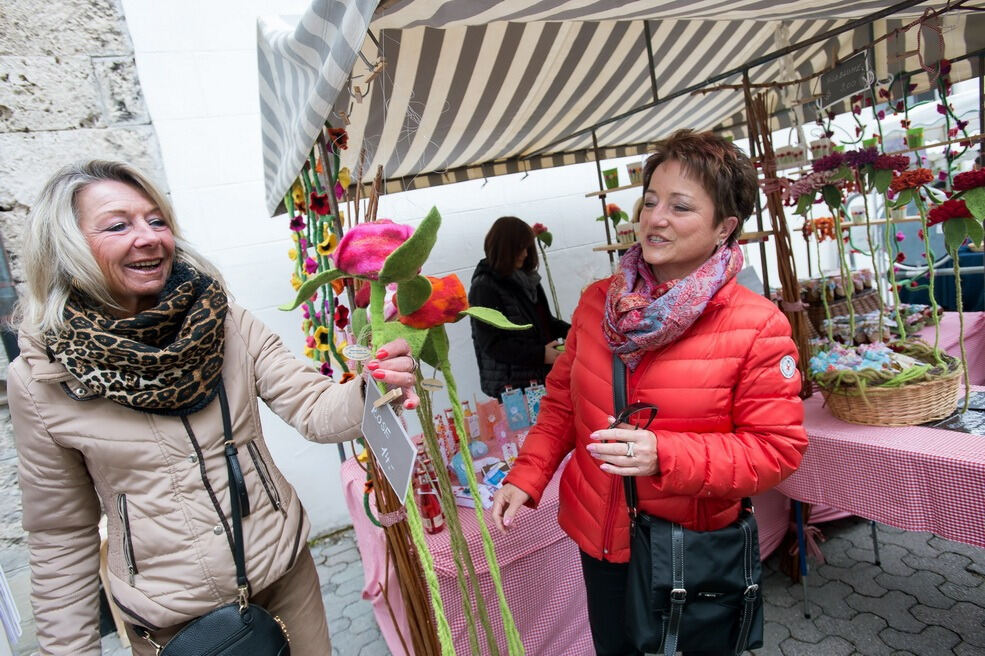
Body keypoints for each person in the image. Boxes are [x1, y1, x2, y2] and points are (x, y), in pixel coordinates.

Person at [8, 160, 419, 656]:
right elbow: (61, 535)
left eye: (156, 220)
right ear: (66, 248)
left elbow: (314, 407)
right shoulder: (43, 376)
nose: (148, 237)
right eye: (118, 225)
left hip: (283, 579)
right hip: (174, 624)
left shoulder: (223, 321)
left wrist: (374, 387)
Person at [492, 130, 808, 656]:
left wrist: (666, 454)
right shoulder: (600, 303)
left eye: (680, 207)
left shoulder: (756, 325)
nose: (655, 218)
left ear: (724, 227)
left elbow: (777, 449)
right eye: (652, 200)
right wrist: (527, 477)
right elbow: (563, 405)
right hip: (601, 540)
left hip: (689, 547)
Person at [468, 216, 570, 399]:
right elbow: (493, 344)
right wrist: (540, 354)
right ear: (503, 249)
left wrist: (575, 331)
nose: (524, 254)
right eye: (519, 249)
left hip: (541, 376)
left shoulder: (528, 280)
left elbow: (544, 321)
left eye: (526, 248)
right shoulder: (484, 287)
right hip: (512, 388)